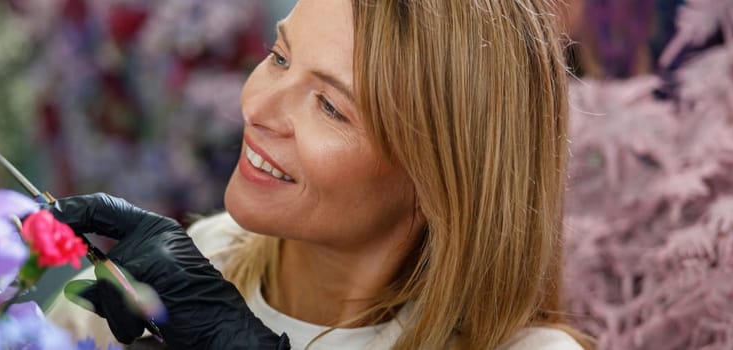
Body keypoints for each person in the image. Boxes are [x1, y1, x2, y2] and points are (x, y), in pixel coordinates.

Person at [47, 0, 590, 349]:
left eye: (330, 106)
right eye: (280, 58)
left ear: (441, 180)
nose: (256, 105)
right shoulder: (207, 257)